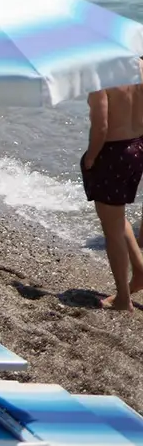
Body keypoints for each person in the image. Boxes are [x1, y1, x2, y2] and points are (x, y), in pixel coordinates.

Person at [82, 74, 143, 310]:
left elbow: (101, 126)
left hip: (112, 152)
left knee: (112, 230)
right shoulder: (139, 66)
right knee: (115, 216)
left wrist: (90, 157)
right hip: (137, 146)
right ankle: (139, 271)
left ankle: (122, 299)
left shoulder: (101, 77)